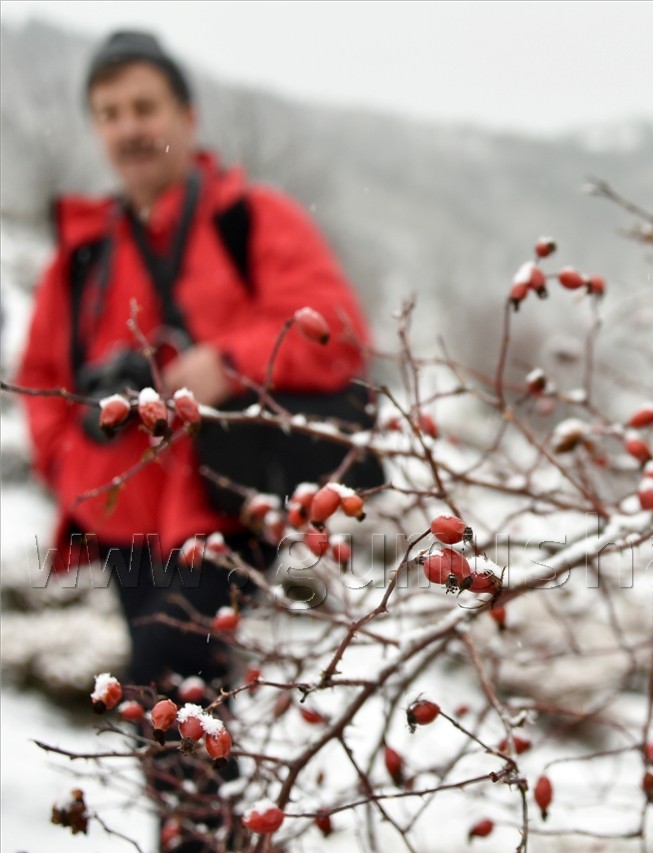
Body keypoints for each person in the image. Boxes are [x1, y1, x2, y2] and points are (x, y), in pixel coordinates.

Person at [15, 29, 373, 850]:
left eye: (144, 106)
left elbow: (339, 331)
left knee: (171, 666)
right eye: (109, 113)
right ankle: (204, 833)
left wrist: (224, 362)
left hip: (220, 497)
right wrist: (70, 467)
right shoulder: (85, 252)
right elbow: (40, 379)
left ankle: (202, 837)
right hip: (121, 517)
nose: (129, 126)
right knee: (167, 692)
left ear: (186, 112)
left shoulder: (252, 219)